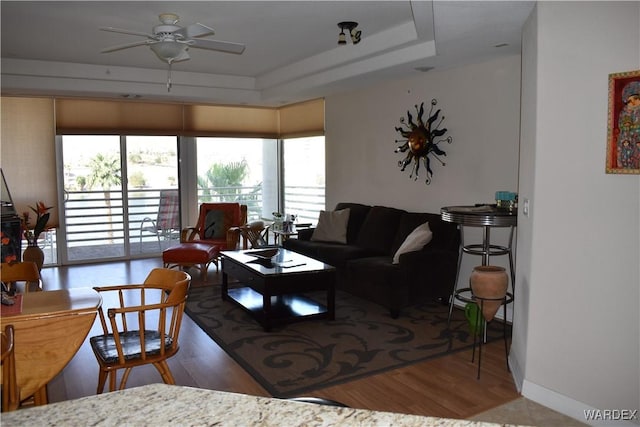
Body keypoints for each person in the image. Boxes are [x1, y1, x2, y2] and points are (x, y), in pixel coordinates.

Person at [617, 81, 640, 169]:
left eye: (636, 98)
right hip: (627, 137)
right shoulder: (625, 112)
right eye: (630, 101)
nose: (633, 102)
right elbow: (621, 125)